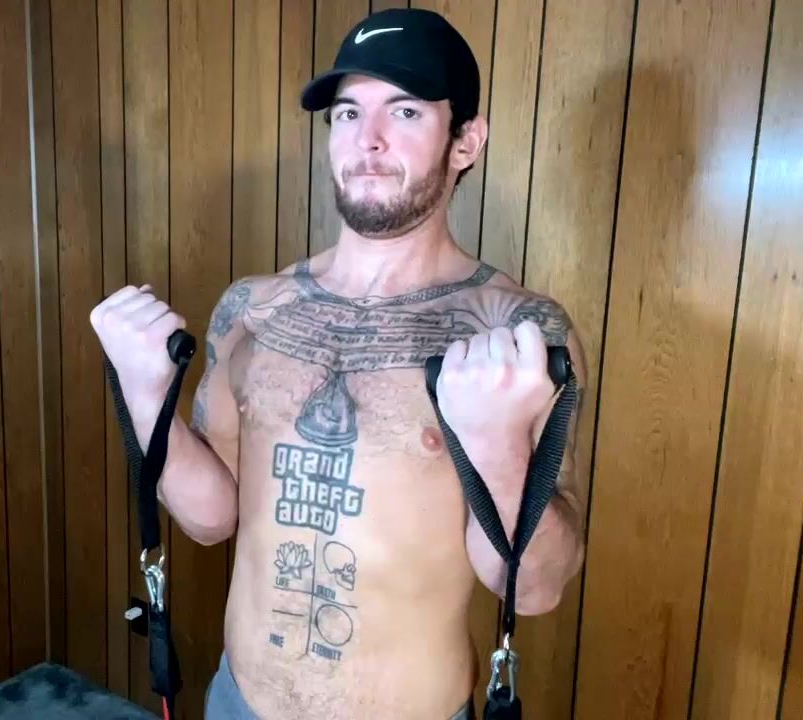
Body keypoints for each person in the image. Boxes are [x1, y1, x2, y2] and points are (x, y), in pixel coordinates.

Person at [90, 8, 587, 719]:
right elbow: (210, 518)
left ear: (465, 141)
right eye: (349, 113)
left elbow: (533, 590)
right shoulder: (253, 310)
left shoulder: (517, 336)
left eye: (405, 111)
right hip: (238, 703)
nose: (367, 139)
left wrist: (502, 450)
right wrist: (147, 398)